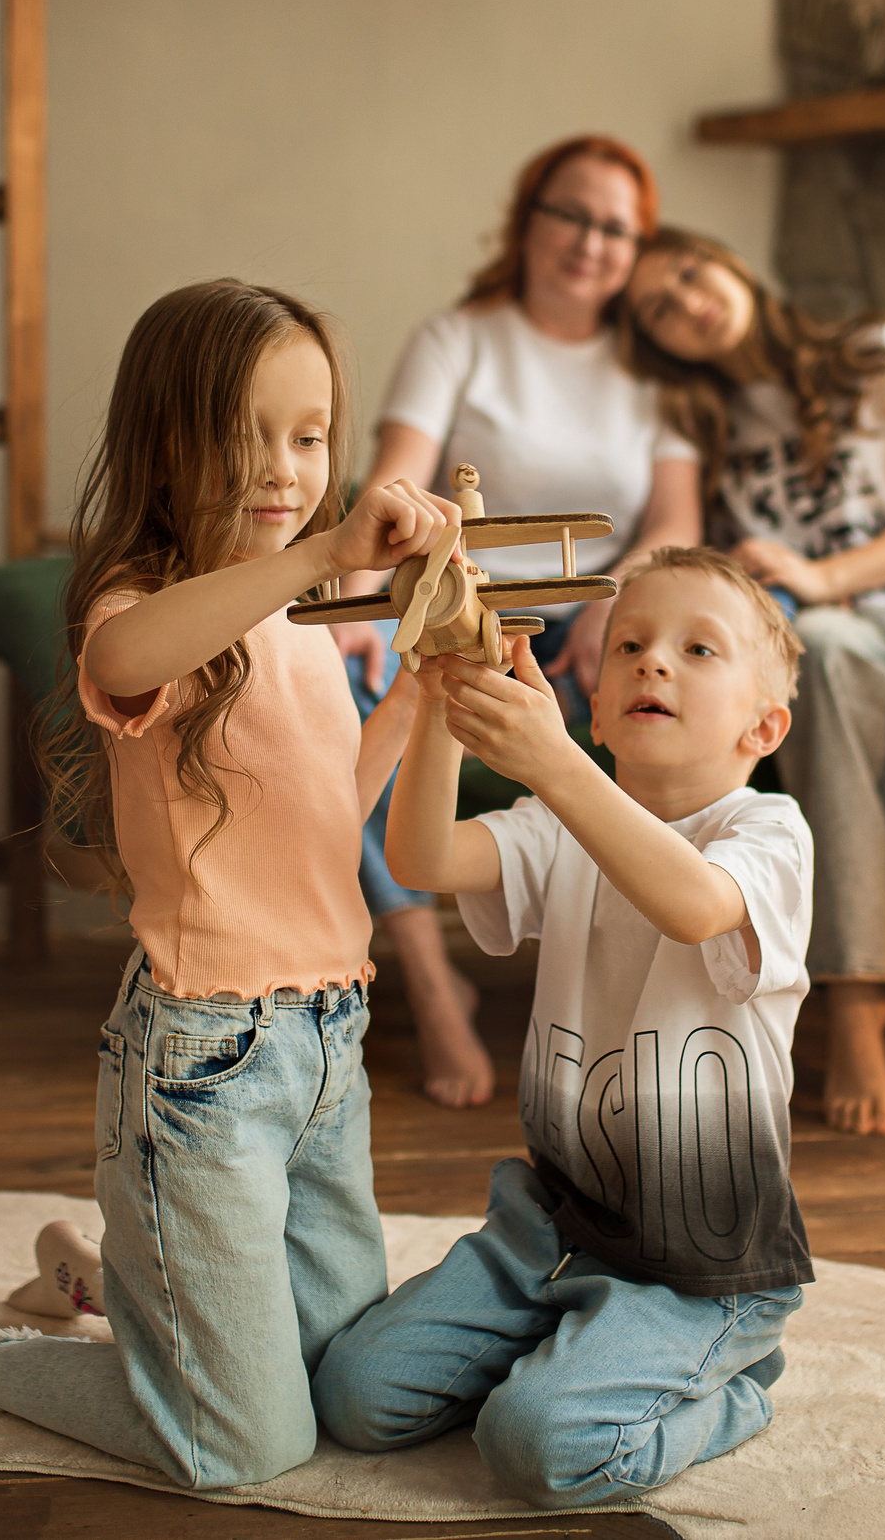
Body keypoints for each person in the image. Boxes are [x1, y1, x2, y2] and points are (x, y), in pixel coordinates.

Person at [0, 280, 463, 1489]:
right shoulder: (146, 610)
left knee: (337, 1378)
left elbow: (324, 816)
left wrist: (417, 686)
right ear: (162, 445)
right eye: (246, 435)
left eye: (309, 438)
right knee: (239, 1441)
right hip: (203, 1065)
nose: (287, 468)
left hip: (326, 1044)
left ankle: (103, 1282)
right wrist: (320, 550)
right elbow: (123, 655)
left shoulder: (304, 624)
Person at [314, 547, 814, 1509]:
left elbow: (695, 907)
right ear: (595, 695)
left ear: (765, 725)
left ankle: (735, 1392)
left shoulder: (769, 836)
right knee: (355, 1396)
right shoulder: (557, 822)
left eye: (696, 649)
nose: (652, 662)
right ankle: (574, 1341)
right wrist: (439, 705)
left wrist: (558, 763)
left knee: (539, 1445)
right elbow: (418, 858)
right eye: (628, 644)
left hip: (702, 1267)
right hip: (550, 1226)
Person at [618, 229, 885, 1135]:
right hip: (829, 627)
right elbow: (679, 539)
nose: (689, 304)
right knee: (822, 657)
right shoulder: (699, 422)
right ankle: (858, 1001)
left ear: (729, 262)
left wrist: (825, 573)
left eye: (691, 275)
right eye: (661, 308)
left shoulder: (878, 359)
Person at [339, 135, 703, 1110]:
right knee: (341, 687)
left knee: (664, 697)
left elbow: (675, 521)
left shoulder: (652, 369)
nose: (591, 242)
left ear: (638, 248)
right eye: (572, 216)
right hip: (459, 611)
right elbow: (396, 483)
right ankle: (425, 975)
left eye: (617, 228)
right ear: (528, 220)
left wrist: (623, 595)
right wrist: (369, 595)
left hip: (591, 624)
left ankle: (647, 993)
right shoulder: (458, 338)